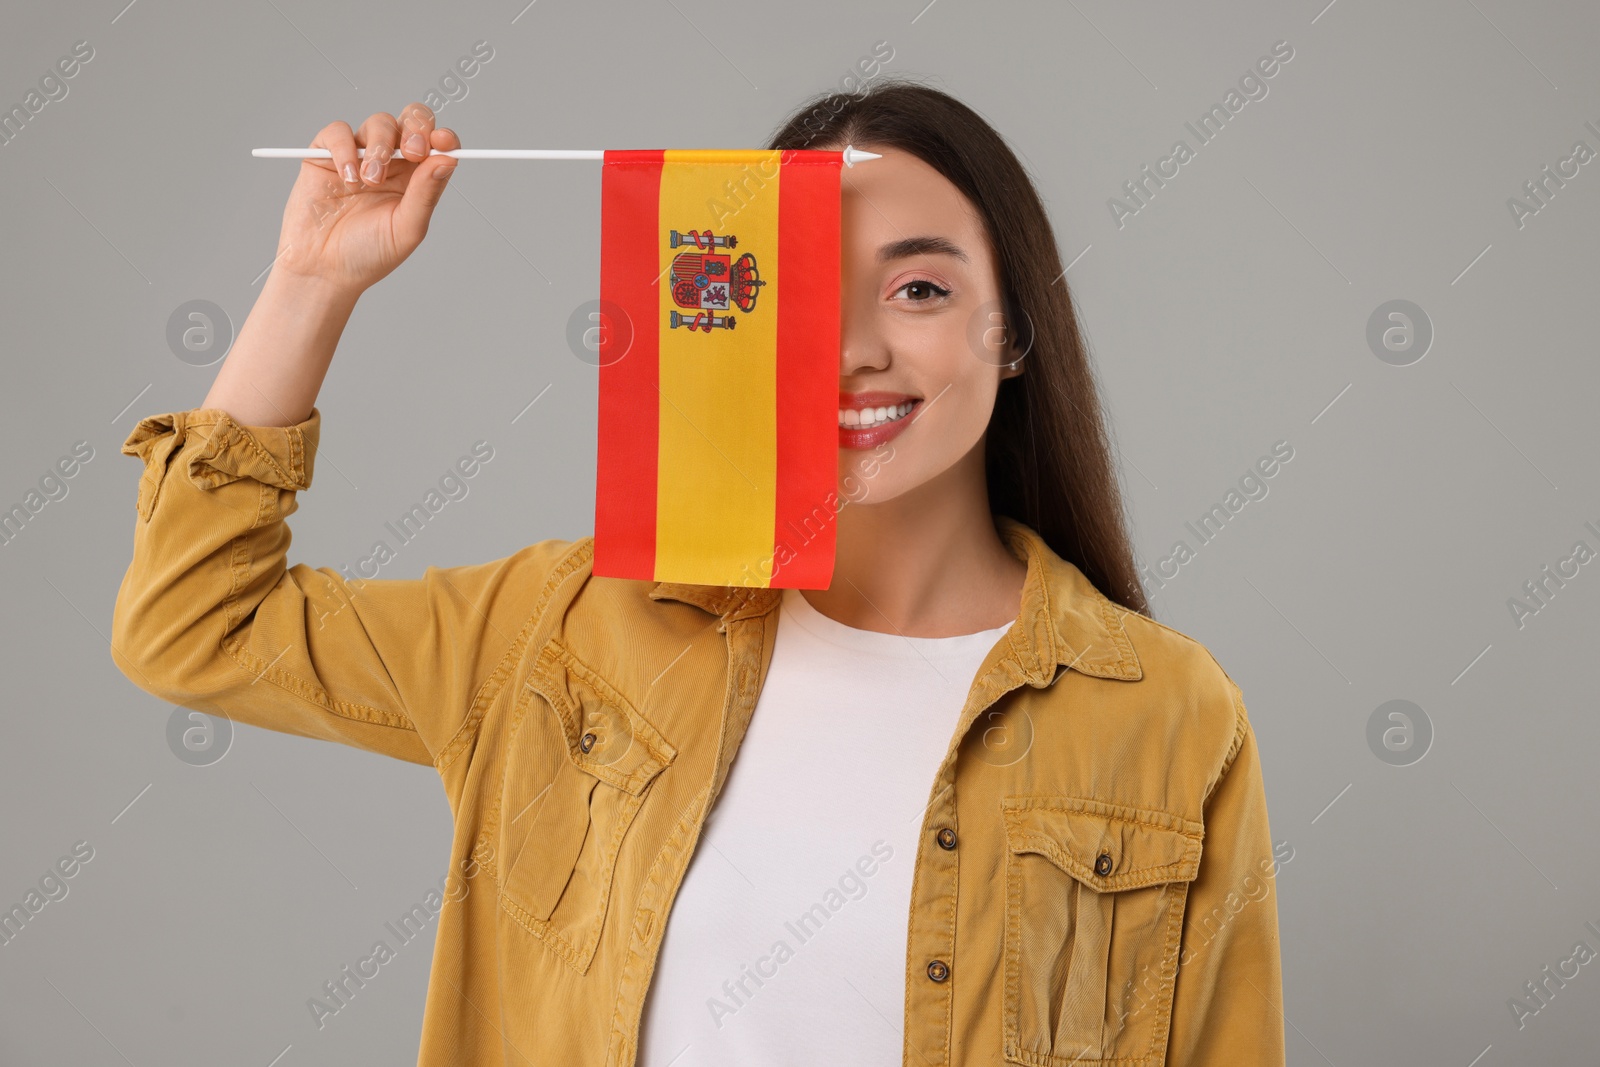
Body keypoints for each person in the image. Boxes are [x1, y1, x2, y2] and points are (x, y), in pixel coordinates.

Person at [111, 79, 1285, 1066]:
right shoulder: (567, 627)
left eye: (919, 287)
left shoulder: (1169, 715)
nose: (855, 346)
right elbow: (194, 626)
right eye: (807, 286)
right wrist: (311, 283)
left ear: (1014, 328)